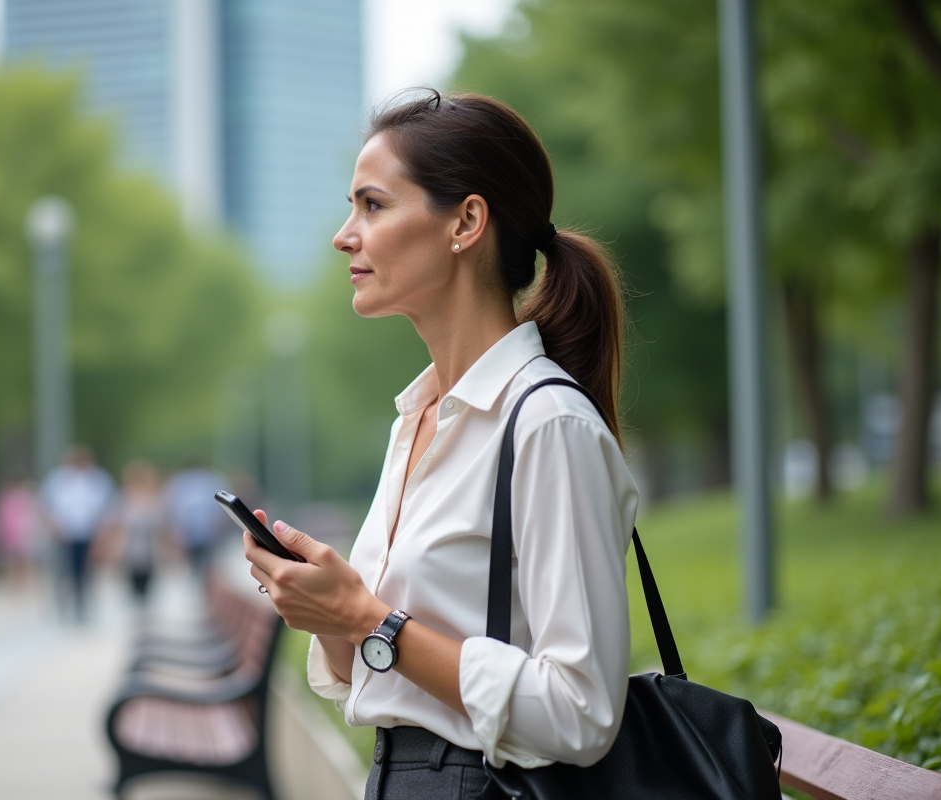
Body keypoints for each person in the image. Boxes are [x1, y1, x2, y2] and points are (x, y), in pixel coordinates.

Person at [242, 91, 638, 800]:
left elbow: (581, 711)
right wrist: (329, 614)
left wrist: (365, 616)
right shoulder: (416, 419)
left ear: (466, 222)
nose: (344, 236)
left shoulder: (548, 423)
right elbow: (382, 667)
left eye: (372, 205)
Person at [39, 446, 114, 620]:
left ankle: (83, 606)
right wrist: (53, 529)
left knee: (87, 573)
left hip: (90, 534)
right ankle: (62, 606)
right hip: (63, 535)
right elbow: (45, 507)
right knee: (62, 573)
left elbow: (108, 509)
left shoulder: (99, 480)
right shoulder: (56, 480)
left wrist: (103, 535)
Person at [100, 460, 166, 607]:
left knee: (148, 576)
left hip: (149, 543)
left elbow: (162, 523)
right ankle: (137, 603)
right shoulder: (123, 497)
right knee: (132, 576)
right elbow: (113, 523)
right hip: (129, 543)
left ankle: (143, 603)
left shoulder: (154, 498)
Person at [161, 458, 230, 580]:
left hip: (193, 532)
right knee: (206, 563)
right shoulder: (213, 479)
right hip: (205, 531)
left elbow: (172, 508)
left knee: (197, 564)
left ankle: (200, 581)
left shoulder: (180, 481)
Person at [0, 477, 39, 591]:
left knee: (23, 559)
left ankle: (24, 582)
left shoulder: (22, 497)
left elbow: (29, 515)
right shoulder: (4, 499)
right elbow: (0, 518)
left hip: (21, 532)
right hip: (9, 533)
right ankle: (14, 583)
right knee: (12, 560)